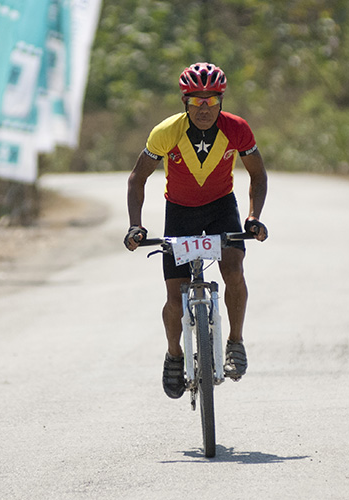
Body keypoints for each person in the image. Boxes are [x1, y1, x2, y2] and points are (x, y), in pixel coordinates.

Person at [124, 62, 268, 399]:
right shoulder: (166, 132)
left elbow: (258, 176)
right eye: (196, 102)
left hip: (221, 208)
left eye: (211, 101)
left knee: (233, 269)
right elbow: (137, 178)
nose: (204, 109)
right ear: (184, 102)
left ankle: (235, 342)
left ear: (221, 100)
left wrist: (253, 217)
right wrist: (136, 224)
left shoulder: (238, 130)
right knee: (175, 297)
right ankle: (175, 353)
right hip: (180, 213)